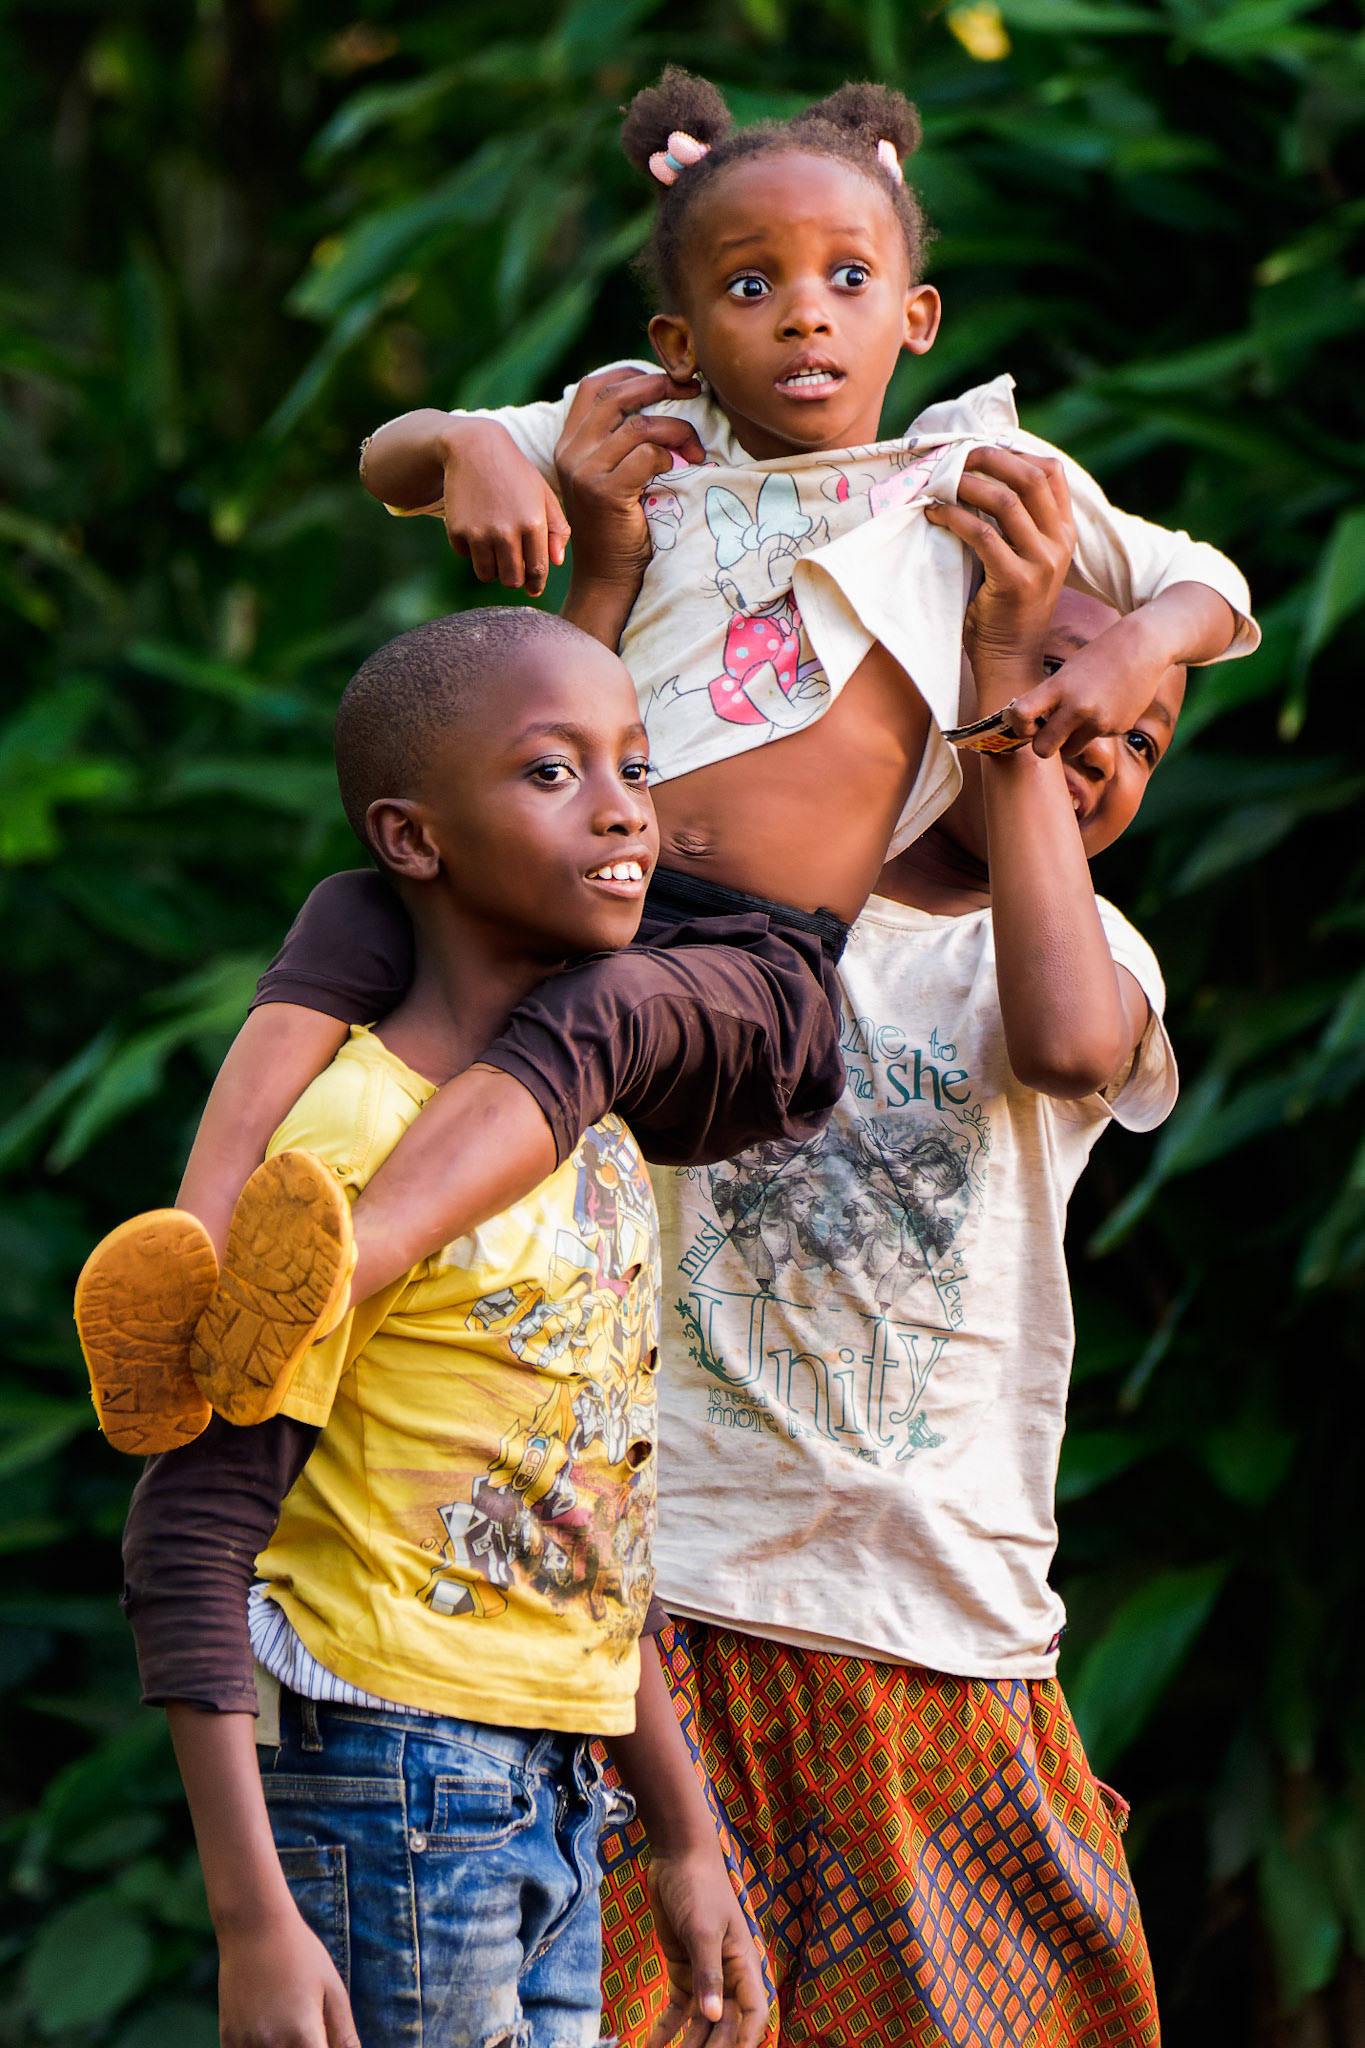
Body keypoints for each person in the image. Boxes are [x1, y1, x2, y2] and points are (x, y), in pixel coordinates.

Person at [78, 71, 1253, 1463]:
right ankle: (198, 1251)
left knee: (609, 1013)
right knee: (347, 915)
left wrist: (1132, 655)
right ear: (679, 337)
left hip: (754, 968)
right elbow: (388, 456)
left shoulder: (970, 469)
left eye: (847, 278)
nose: (804, 311)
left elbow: (1206, 582)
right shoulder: (648, 438)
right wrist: (466, 448)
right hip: (575, 890)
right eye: (749, 288)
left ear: (913, 318)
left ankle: (342, 1269)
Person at [118, 606, 768, 2048]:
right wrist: (250, 1921)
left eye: (637, 768)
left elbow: (585, 1507)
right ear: (411, 841)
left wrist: (680, 1833)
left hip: (551, 1781)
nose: (621, 813)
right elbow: (190, 1532)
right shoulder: (350, 1143)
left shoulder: (588, 1131)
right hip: (387, 1768)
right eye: (551, 773)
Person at [592, 455, 1182, 2044]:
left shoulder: (1087, 952)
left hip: (931, 1616)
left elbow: (1065, 1048)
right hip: (671, 1598)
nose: (1099, 748)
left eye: (1140, 742)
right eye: (1058, 678)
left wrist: (1013, 695)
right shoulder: (751, 920)